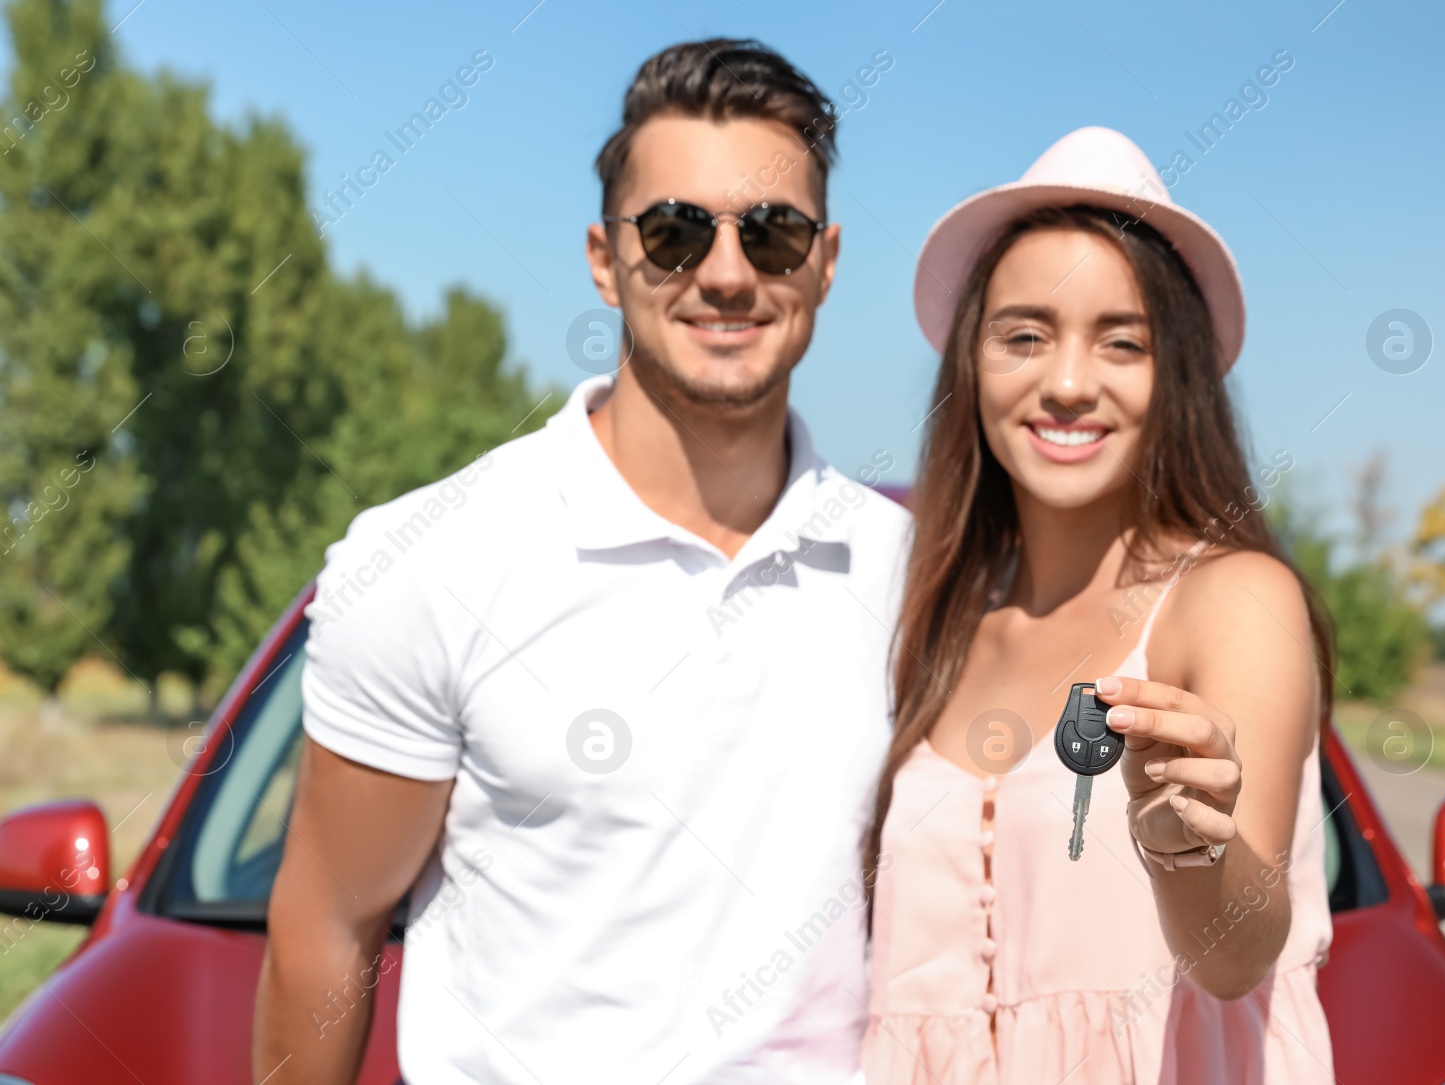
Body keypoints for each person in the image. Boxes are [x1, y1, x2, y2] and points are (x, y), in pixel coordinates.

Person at [253, 40, 909, 1085]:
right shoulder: (430, 560)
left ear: (825, 261)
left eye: (773, 233)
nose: (727, 272)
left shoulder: (917, 576)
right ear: (606, 259)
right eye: (675, 230)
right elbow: (327, 925)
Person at [859, 127, 1336, 1084]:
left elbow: (1238, 955)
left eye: (1123, 341)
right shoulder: (929, 620)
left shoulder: (1234, 599)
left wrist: (1186, 846)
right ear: (972, 363)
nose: (1069, 383)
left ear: (1176, 375)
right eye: (1024, 335)